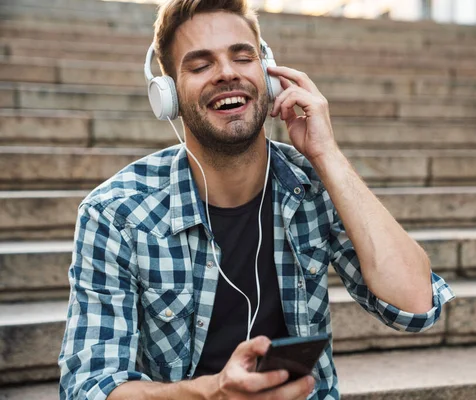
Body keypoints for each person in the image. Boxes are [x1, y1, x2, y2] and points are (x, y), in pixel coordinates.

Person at [58, 0, 455, 399]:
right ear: (168, 97)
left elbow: (416, 307)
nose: (227, 73)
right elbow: (89, 387)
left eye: (242, 57)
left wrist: (327, 154)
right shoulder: (116, 212)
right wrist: (213, 392)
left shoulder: (313, 183)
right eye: (200, 66)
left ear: (269, 73)